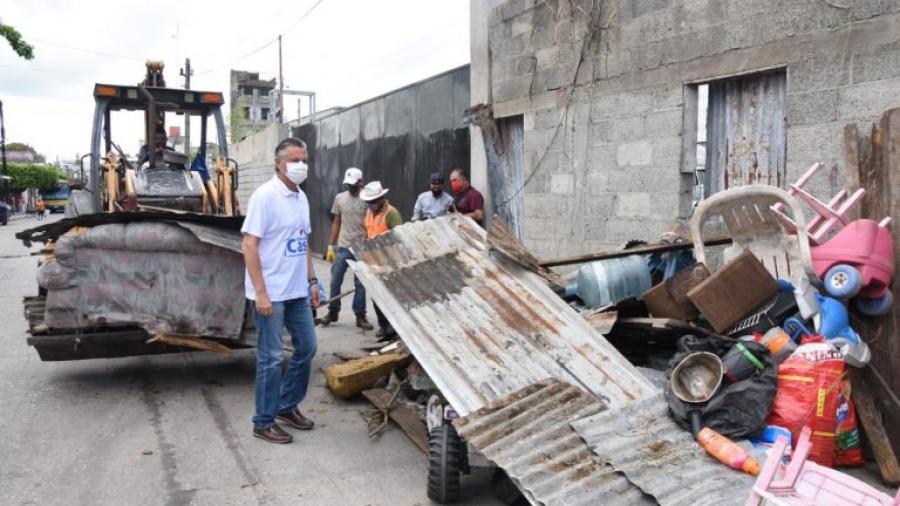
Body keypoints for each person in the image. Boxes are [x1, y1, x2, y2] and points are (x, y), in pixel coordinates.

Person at [241, 137, 320, 445]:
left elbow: (303, 244)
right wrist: (260, 293)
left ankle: (286, 406)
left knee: (307, 348)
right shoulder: (265, 196)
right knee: (271, 358)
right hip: (271, 293)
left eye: (305, 160)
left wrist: (312, 282)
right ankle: (263, 421)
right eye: (294, 160)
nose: (301, 166)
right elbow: (249, 245)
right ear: (278, 163)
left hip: (297, 292)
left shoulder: (301, 197)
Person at [320, 167, 372, 329]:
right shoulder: (340, 198)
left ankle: (360, 315)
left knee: (360, 284)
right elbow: (337, 222)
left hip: (362, 248)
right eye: (347, 184)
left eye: (353, 184)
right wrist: (331, 246)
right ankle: (333, 312)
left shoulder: (368, 199)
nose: (350, 187)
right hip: (343, 247)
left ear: (360, 182)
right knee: (335, 281)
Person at [359, 181, 402, 340]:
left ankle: (393, 327)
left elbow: (398, 238)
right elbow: (368, 232)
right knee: (376, 296)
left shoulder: (392, 214)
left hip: (388, 261)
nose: (370, 205)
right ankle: (383, 325)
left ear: (382, 198)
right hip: (373, 260)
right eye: (368, 202)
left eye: (373, 201)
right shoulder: (369, 212)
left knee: (390, 297)